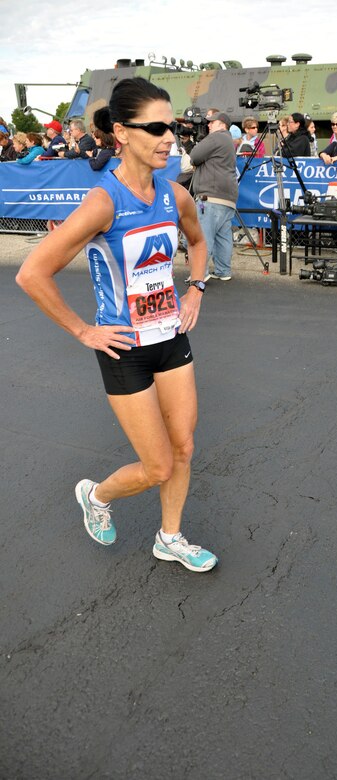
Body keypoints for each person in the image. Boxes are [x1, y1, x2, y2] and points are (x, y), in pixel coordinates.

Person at [15, 76, 218, 572]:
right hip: (124, 348)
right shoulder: (103, 202)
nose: (169, 137)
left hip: (170, 337)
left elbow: (197, 243)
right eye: (155, 127)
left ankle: (170, 537)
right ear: (123, 133)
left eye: (171, 126)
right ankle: (97, 495)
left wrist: (195, 290)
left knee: (185, 446)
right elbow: (32, 273)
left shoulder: (175, 194)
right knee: (157, 465)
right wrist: (84, 331)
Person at [189, 111, 238, 281]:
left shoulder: (216, 137)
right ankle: (223, 271)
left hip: (210, 196)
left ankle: (199, 274)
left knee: (203, 235)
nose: (208, 125)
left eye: (211, 122)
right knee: (223, 236)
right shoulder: (228, 140)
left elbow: (194, 157)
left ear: (221, 124)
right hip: (227, 197)